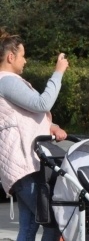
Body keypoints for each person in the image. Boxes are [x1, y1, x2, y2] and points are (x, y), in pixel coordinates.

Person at [0, 31, 69, 241]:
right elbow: (42, 104)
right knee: (54, 222)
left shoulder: (8, 82)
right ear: (10, 57)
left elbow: (25, 117)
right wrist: (58, 73)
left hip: (24, 166)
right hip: (24, 166)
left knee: (30, 225)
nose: (25, 60)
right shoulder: (7, 82)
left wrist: (51, 126)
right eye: (22, 55)